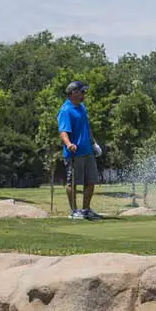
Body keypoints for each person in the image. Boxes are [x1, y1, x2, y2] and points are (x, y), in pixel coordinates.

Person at [58, 80, 103, 220]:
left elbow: (87, 127)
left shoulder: (82, 107)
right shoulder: (66, 110)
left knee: (91, 181)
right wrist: (69, 144)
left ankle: (85, 210)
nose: (84, 94)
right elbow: (63, 131)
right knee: (72, 182)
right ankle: (74, 211)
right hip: (74, 153)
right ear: (73, 93)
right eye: (82, 91)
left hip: (87, 151)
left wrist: (94, 143)